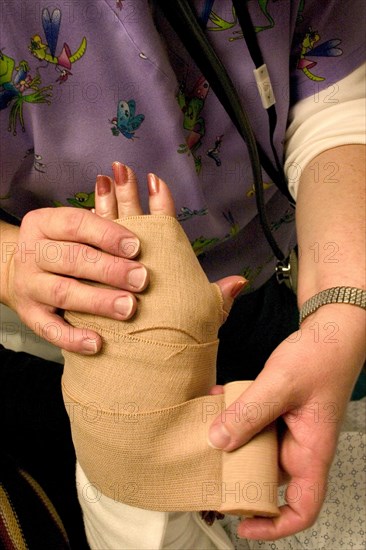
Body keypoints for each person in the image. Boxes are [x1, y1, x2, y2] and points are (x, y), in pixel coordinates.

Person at [0, 0, 365, 546]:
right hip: (52, 335)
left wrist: (340, 309)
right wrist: (9, 261)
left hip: (263, 282)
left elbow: (335, 102)